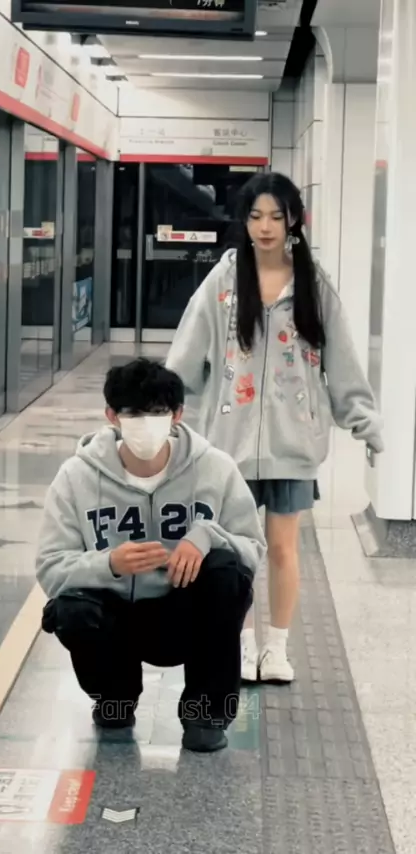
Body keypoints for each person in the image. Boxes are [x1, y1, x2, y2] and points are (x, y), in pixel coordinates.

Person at [166, 172, 383, 684]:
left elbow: (342, 359)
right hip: (229, 445)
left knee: (284, 548)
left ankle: (277, 649)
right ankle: (241, 644)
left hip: (293, 443)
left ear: (294, 221)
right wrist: (162, 404)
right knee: (233, 551)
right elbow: (188, 348)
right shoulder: (224, 279)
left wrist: (363, 419)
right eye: (255, 216)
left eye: (276, 217)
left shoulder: (313, 284)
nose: (265, 227)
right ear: (244, 222)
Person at [35, 358, 266, 753]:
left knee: (227, 574)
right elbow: (50, 566)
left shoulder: (215, 468)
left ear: (177, 414)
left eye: (157, 412)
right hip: (114, 616)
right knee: (70, 609)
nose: (146, 423)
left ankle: (205, 715)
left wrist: (207, 536)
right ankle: (115, 698)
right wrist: (109, 564)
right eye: (133, 413)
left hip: (186, 612)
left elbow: (253, 550)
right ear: (112, 416)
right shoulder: (76, 477)